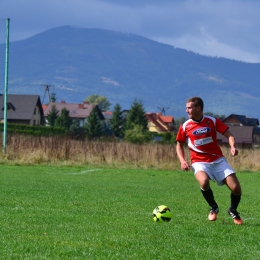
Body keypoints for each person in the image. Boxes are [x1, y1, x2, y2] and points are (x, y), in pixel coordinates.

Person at [176, 97, 243, 225]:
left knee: (236, 188)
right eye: (187, 108)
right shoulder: (185, 126)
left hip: (217, 160)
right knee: (204, 181)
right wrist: (182, 160)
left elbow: (230, 135)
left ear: (198, 108)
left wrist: (233, 146)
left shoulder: (212, 121)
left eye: (189, 108)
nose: (186, 111)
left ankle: (233, 210)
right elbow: (179, 144)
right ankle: (213, 207)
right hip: (199, 162)